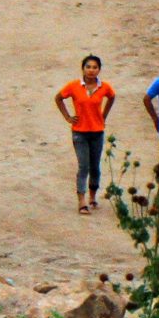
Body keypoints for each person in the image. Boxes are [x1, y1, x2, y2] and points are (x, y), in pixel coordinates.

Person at [53, 55, 115, 215]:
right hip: (79, 132)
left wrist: (104, 115)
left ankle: (92, 197)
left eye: (95, 67)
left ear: (99, 69)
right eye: (88, 67)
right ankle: (82, 200)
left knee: (95, 167)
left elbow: (112, 97)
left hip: (96, 132)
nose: (91, 70)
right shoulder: (74, 86)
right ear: (83, 69)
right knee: (84, 166)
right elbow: (59, 98)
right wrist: (67, 117)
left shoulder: (105, 87)